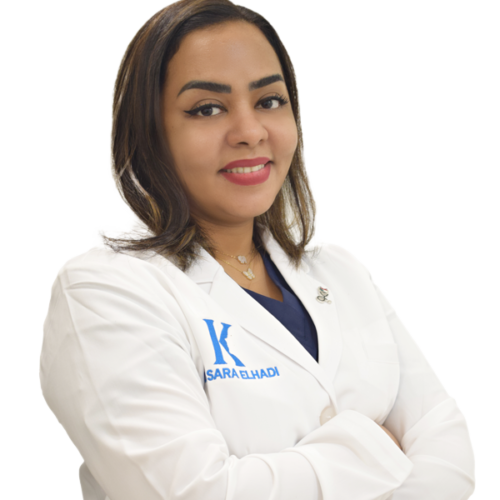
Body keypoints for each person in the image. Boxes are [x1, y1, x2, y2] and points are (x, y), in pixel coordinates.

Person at [39, 1, 476, 499]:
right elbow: (191, 494)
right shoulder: (103, 293)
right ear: (148, 132)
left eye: (269, 101)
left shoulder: (340, 271)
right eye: (207, 108)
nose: (250, 132)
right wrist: (376, 449)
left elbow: (450, 455)